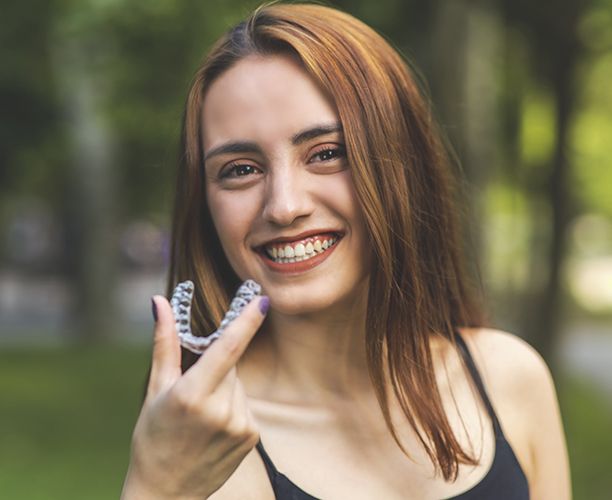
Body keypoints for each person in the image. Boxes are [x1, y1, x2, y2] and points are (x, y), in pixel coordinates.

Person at [121, 3, 571, 499]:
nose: (285, 206)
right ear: (203, 205)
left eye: (327, 154)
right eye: (241, 169)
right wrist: (156, 486)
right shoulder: (212, 447)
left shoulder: (511, 378)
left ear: (404, 165)